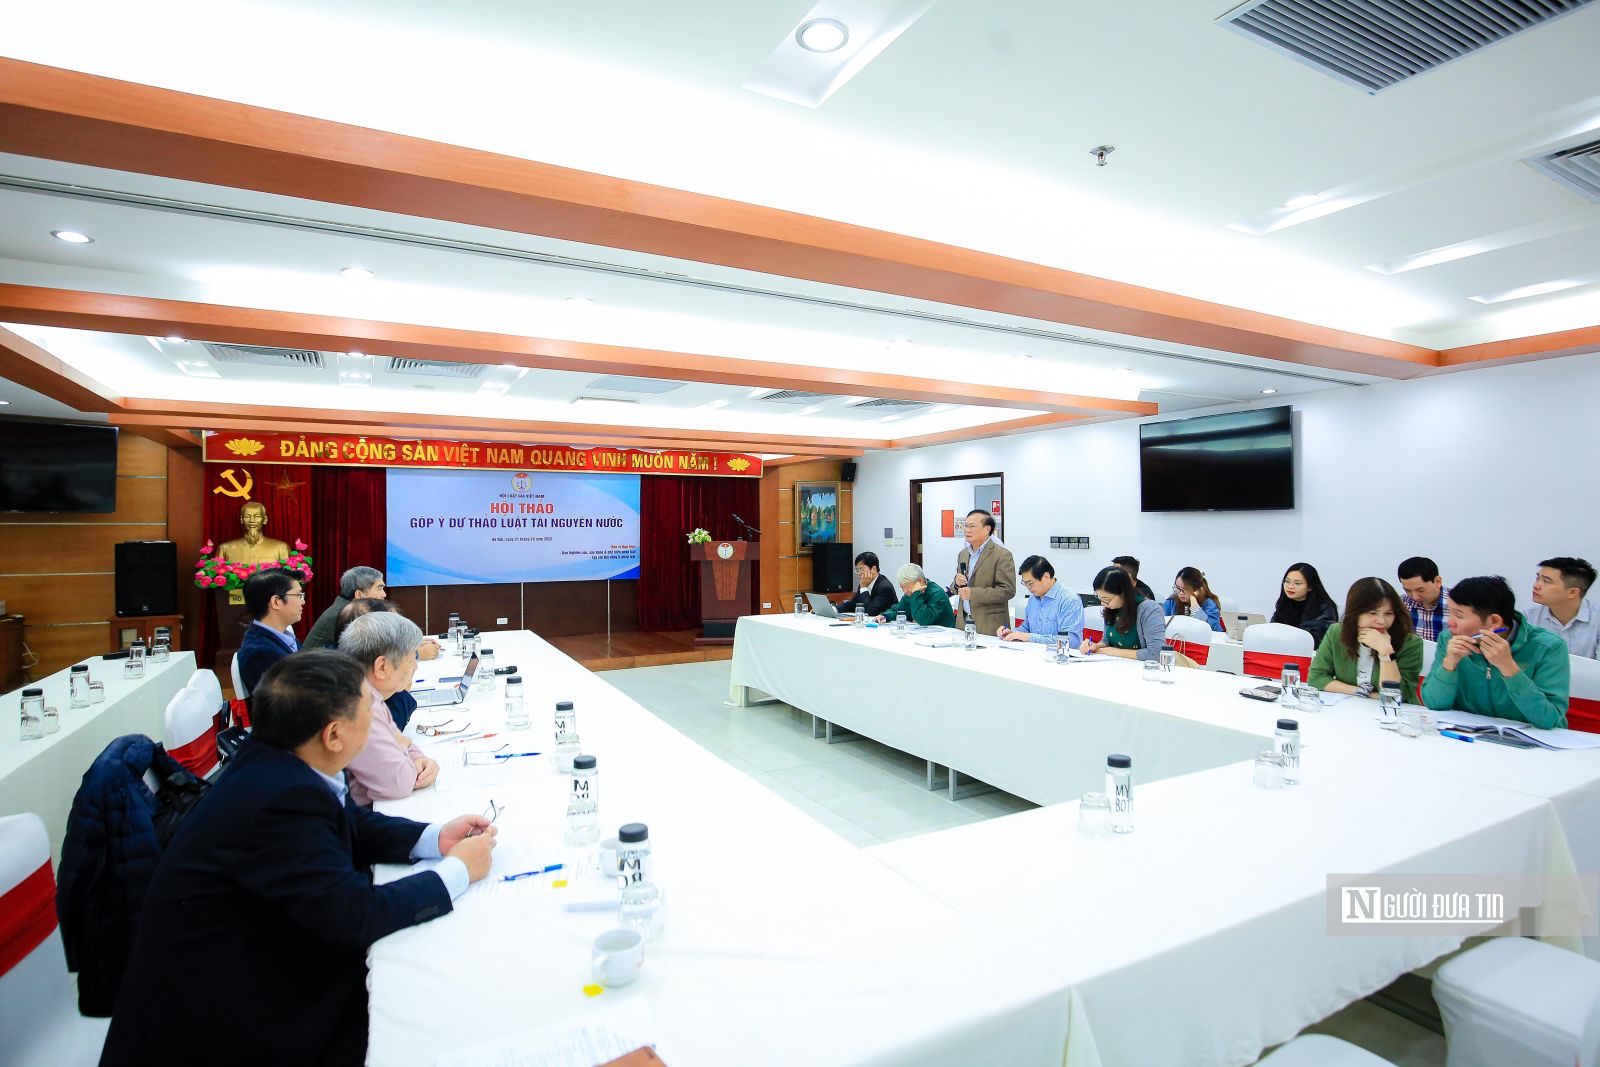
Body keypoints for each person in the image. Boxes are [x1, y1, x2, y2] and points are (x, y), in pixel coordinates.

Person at [99, 651, 497, 1067]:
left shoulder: (279, 758)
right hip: (222, 1025)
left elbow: (348, 822)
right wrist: (456, 872)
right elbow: (352, 915)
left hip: (245, 969)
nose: (379, 718)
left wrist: (434, 838)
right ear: (334, 735)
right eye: (370, 710)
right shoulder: (278, 801)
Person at [1421, 575, 1570, 729]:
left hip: (1532, 739)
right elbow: (1433, 703)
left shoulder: (1548, 647)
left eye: (1459, 615)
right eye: (1449, 612)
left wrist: (1509, 669)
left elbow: (1548, 719)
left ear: (1494, 621)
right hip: (1468, 736)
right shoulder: (1449, 639)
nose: (1450, 622)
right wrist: (1448, 665)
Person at [337, 611, 440, 807]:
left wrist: (417, 757)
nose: (415, 667)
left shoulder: (368, 691)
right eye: (412, 658)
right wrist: (405, 751)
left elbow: (397, 737)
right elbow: (399, 783)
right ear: (382, 666)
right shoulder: (358, 705)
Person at [1308, 578, 1423, 702]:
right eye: (1373, 613)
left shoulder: (1410, 643)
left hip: (1392, 711)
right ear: (1355, 613)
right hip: (1348, 707)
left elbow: (1399, 696)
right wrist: (1362, 692)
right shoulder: (1336, 633)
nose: (1381, 621)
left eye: (1388, 613)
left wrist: (1386, 653)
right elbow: (1316, 678)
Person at [234, 566, 304, 697]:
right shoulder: (261, 653)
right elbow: (290, 701)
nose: (303, 602)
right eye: (299, 595)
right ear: (276, 601)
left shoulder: (281, 635)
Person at [951, 509, 1016, 636]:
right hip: (963, 623)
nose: (967, 530)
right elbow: (957, 588)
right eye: (966, 526)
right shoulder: (963, 554)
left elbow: (1007, 590)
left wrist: (973, 594)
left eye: (972, 526)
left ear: (987, 529)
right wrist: (957, 583)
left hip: (989, 625)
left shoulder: (1002, 554)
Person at [1082, 566, 1166, 660]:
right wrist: (1095, 646)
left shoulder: (1149, 609)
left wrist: (1114, 651)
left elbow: (1156, 653)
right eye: (1099, 598)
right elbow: (1107, 641)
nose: (1103, 603)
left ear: (1124, 593)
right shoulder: (1112, 608)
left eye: (1107, 599)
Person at [1000, 555, 1084, 647]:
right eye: (1025, 583)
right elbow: (1027, 628)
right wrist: (1011, 633)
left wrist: (1030, 637)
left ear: (1046, 577)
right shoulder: (1033, 598)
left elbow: (1071, 641)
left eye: (1030, 583)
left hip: (1059, 655)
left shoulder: (1069, 600)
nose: (1028, 588)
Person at [1525, 556, 1600, 660]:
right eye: (1538, 578)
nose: (1536, 586)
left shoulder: (1597, 620)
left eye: (1546, 581)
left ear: (1572, 592)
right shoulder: (1527, 618)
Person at [304, 565, 387, 650]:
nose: (384, 595)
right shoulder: (347, 614)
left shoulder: (345, 606)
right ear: (359, 594)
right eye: (379, 589)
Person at [1271, 562, 1340, 644]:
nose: (1290, 586)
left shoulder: (1325, 607)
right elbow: (1273, 629)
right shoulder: (1284, 603)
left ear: (1310, 586)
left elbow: (1318, 640)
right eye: (1287, 581)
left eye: (1297, 583)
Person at [876, 562, 957, 629]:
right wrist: (885, 616)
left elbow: (924, 620)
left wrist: (916, 594)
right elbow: (899, 610)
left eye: (907, 587)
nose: (905, 591)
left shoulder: (937, 594)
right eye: (902, 587)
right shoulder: (911, 593)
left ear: (920, 581)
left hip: (945, 637)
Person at [1397, 556, 1450, 641]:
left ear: (1437, 582)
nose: (1415, 597)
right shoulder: (1401, 604)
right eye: (1408, 591)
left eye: (1420, 590)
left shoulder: (1459, 604)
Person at [837, 551, 898, 618]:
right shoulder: (864, 583)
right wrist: (834, 609)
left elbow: (870, 612)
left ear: (873, 569)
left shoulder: (885, 587)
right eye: (857, 570)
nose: (859, 573)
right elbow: (853, 604)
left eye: (861, 569)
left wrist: (863, 588)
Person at [1163, 566, 1224, 632]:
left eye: (1185, 589)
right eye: (1177, 588)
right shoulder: (1172, 601)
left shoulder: (1209, 604)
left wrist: (1193, 600)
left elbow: (1210, 629)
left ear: (1197, 590)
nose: (1180, 593)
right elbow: (1161, 624)